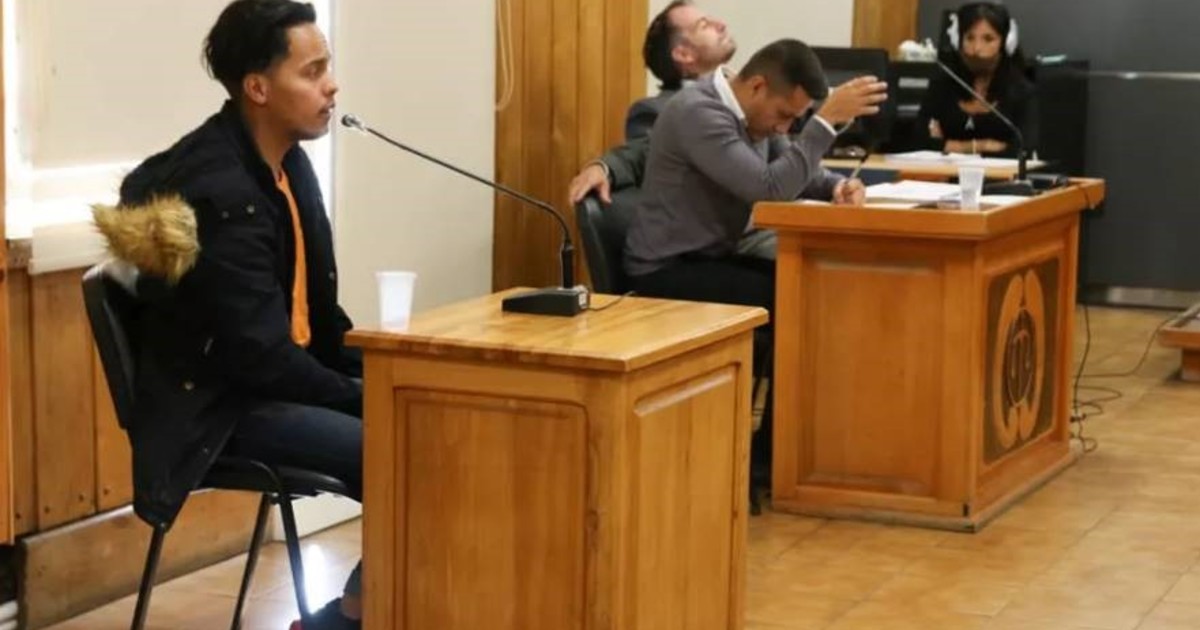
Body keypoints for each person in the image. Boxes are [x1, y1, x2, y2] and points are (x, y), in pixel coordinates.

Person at [91, 1, 363, 628]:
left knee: (429, 417)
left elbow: (315, 317)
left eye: (328, 67)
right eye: (312, 71)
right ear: (258, 88)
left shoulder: (287, 164)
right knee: (404, 445)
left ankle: (367, 610)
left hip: (270, 383)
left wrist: (388, 370)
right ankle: (354, 617)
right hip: (219, 410)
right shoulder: (222, 194)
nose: (331, 86)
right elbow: (259, 358)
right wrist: (359, 395)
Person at [623, 38, 886, 494]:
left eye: (795, 120)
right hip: (665, 270)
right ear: (758, 86)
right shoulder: (700, 113)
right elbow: (769, 187)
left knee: (805, 287)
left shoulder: (753, 116)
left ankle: (785, 452)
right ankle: (768, 460)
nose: (784, 126)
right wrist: (824, 123)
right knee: (793, 298)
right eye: (784, 115)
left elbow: (792, 168)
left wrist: (835, 187)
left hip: (710, 257)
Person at [919, 2, 1038, 157]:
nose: (977, 49)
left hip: (998, 173)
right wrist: (981, 145)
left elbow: (1022, 148)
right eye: (969, 38)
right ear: (957, 40)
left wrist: (948, 145)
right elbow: (920, 141)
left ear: (1006, 43)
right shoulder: (942, 85)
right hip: (945, 172)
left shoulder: (1022, 91)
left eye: (988, 39)